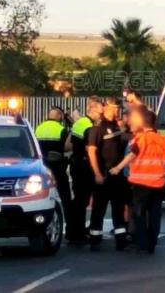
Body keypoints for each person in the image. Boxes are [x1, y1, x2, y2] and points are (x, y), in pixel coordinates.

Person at [110, 107, 165, 254]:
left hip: (141, 183)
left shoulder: (141, 139)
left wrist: (118, 168)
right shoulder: (163, 140)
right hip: (158, 182)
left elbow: (132, 155)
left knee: (139, 214)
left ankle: (142, 243)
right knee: (155, 214)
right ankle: (152, 243)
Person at [88, 97, 128, 251]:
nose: (117, 110)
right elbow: (91, 152)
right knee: (99, 209)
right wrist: (97, 173)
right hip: (103, 174)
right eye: (114, 108)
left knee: (118, 209)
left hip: (117, 175)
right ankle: (95, 239)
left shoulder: (117, 126)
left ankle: (120, 240)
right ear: (105, 108)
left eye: (118, 108)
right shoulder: (98, 128)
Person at [67, 96, 103, 244]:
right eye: (100, 112)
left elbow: (69, 143)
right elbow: (90, 148)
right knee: (82, 201)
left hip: (76, 164)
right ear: (93, 110)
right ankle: (79, 234)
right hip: (84, 166)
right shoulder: (88, 126)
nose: (101, 116)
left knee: (78, 201)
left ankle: (73, 232)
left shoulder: (79, 123)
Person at [35, 108, 71, 235]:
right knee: (65, 197)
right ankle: (70, 228)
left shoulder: (38, 128)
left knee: (43, 196)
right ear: (60, 116)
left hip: (43, 167)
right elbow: (68, 147)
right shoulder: (61, 130)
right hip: (58, 167)